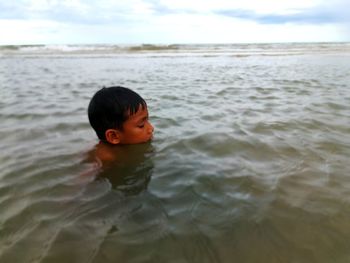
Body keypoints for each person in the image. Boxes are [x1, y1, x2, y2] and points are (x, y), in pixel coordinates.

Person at [87, 86, 154, 164]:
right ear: (113, 136)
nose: (151, 128)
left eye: (147, 120)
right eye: (141, 125)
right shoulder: (106, 158)